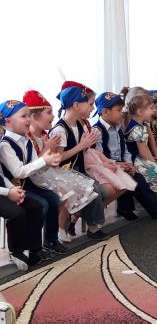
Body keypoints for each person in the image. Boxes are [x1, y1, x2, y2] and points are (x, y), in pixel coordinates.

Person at [23, 90, 100, 253]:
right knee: (62, 193)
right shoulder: (28, 138)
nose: (53, 116)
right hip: (31, 179)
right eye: (49, 113)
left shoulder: (44, 135)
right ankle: (54, 233)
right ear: (35, 117)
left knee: (73, 190)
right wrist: (48, 149)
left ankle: (58, 231)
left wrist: (51, 154)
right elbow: (32, 165)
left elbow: (52, 160)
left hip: (46, 172)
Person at [94, 91, 157, 221]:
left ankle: (129, 208)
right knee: (137, 180)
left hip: (122, 163)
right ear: (105, 112)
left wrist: (128, 163)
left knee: (134, 175)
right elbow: (98, 156)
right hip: (107, 166)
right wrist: (118, 164)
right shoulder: (97, 131)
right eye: (118, 110)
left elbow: (125, 150)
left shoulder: (118, 126)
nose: (121, 113)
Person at [0, 100, 53, 269]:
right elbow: (18, 172)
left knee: (37, 206)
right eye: (24, 116)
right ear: (8, 122)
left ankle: (33, 248)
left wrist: (11, 189)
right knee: (18, 213)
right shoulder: (5, 144)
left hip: (9, 189)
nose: (1, 133)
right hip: (4, 192)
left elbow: (0, 175)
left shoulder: (26, 140)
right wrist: (8, 192)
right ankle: (16, 250)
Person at [49, 87, 107, 240]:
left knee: (101, 191)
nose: (92, 108)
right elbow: (57, 159)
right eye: (88, 104)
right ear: (76, 105)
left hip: (75, 169)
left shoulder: (80, 125)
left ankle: (86, 223)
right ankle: (92, 227)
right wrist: (81, 146)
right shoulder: (60, 130)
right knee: (93, 190)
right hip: (59, 172)